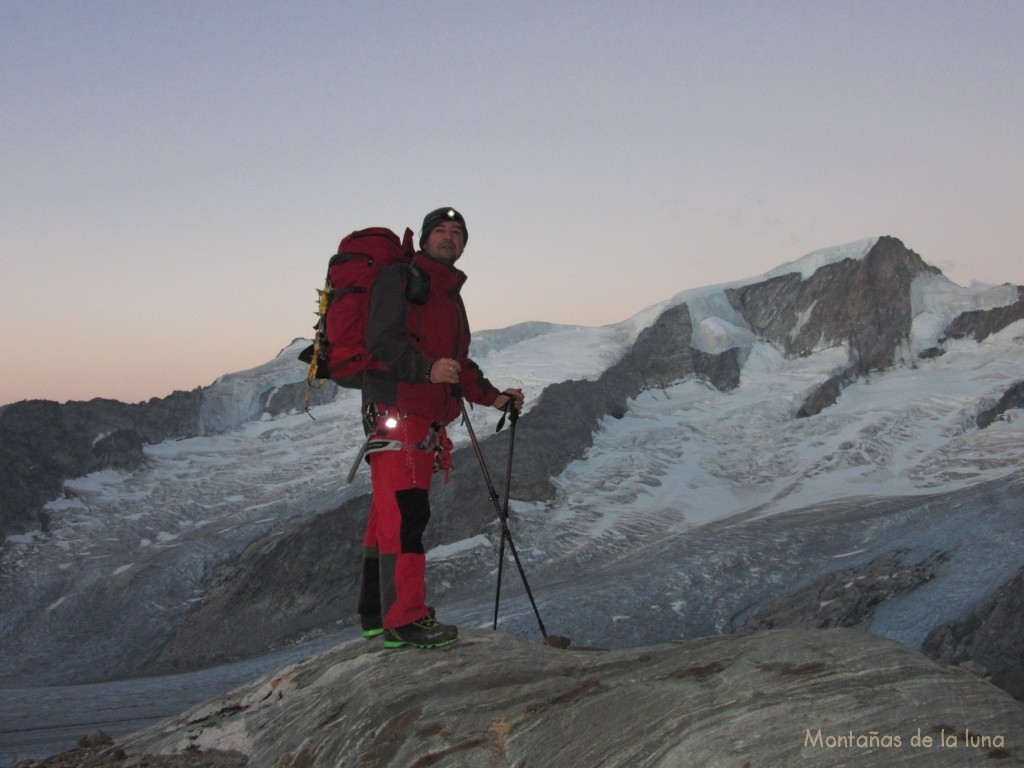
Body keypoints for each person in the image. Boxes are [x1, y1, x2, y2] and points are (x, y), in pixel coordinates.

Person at [357, 206, 524, 649]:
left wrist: (495, 397)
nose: (449, 238)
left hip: (421, 417)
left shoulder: (448, 295)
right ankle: (404, 618)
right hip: (401, 410)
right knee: (406, 515)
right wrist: (426, 370)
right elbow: (383, 340)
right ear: (425, 238)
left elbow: (459, 364)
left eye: (457, 232)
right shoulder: (401, 279)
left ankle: (375, 616)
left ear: (464, 244)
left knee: (387, 515)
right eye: (441, 231)